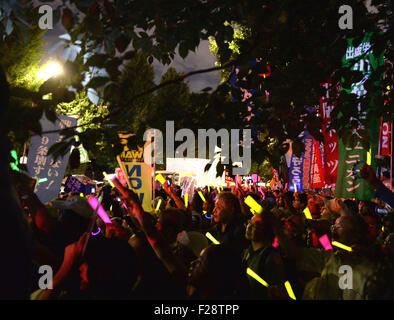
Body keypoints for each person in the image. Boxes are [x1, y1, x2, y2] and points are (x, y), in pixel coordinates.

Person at [243, 212, 286, 299]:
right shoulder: (247, 252)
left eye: (256, 225)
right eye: (249, 223)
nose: (249, 227)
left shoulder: (271, 257)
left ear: (267, 230)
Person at [210, 192, 249, 256]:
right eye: (215, 206)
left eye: (219, 208)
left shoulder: (239, 231)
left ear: (231, 209)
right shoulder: (216, 229)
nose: (214, 210)